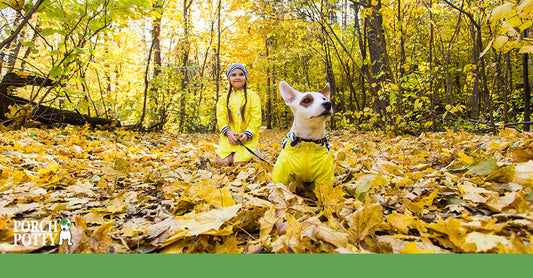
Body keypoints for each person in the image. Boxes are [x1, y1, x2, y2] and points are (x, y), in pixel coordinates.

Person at [215, 63, 262, 166]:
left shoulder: (253, 97)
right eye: (234, 75)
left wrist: (247, 134)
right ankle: (232, 153)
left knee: (239, 164)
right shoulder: (223, 99)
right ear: (229, 78)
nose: (238, 77)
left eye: (241, 74)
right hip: (229, 138)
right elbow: (221, 119)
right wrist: (228, 132)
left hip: (247, 140)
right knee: (222, 162)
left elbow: (256, 119)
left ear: (245, 77)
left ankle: (253, 151)